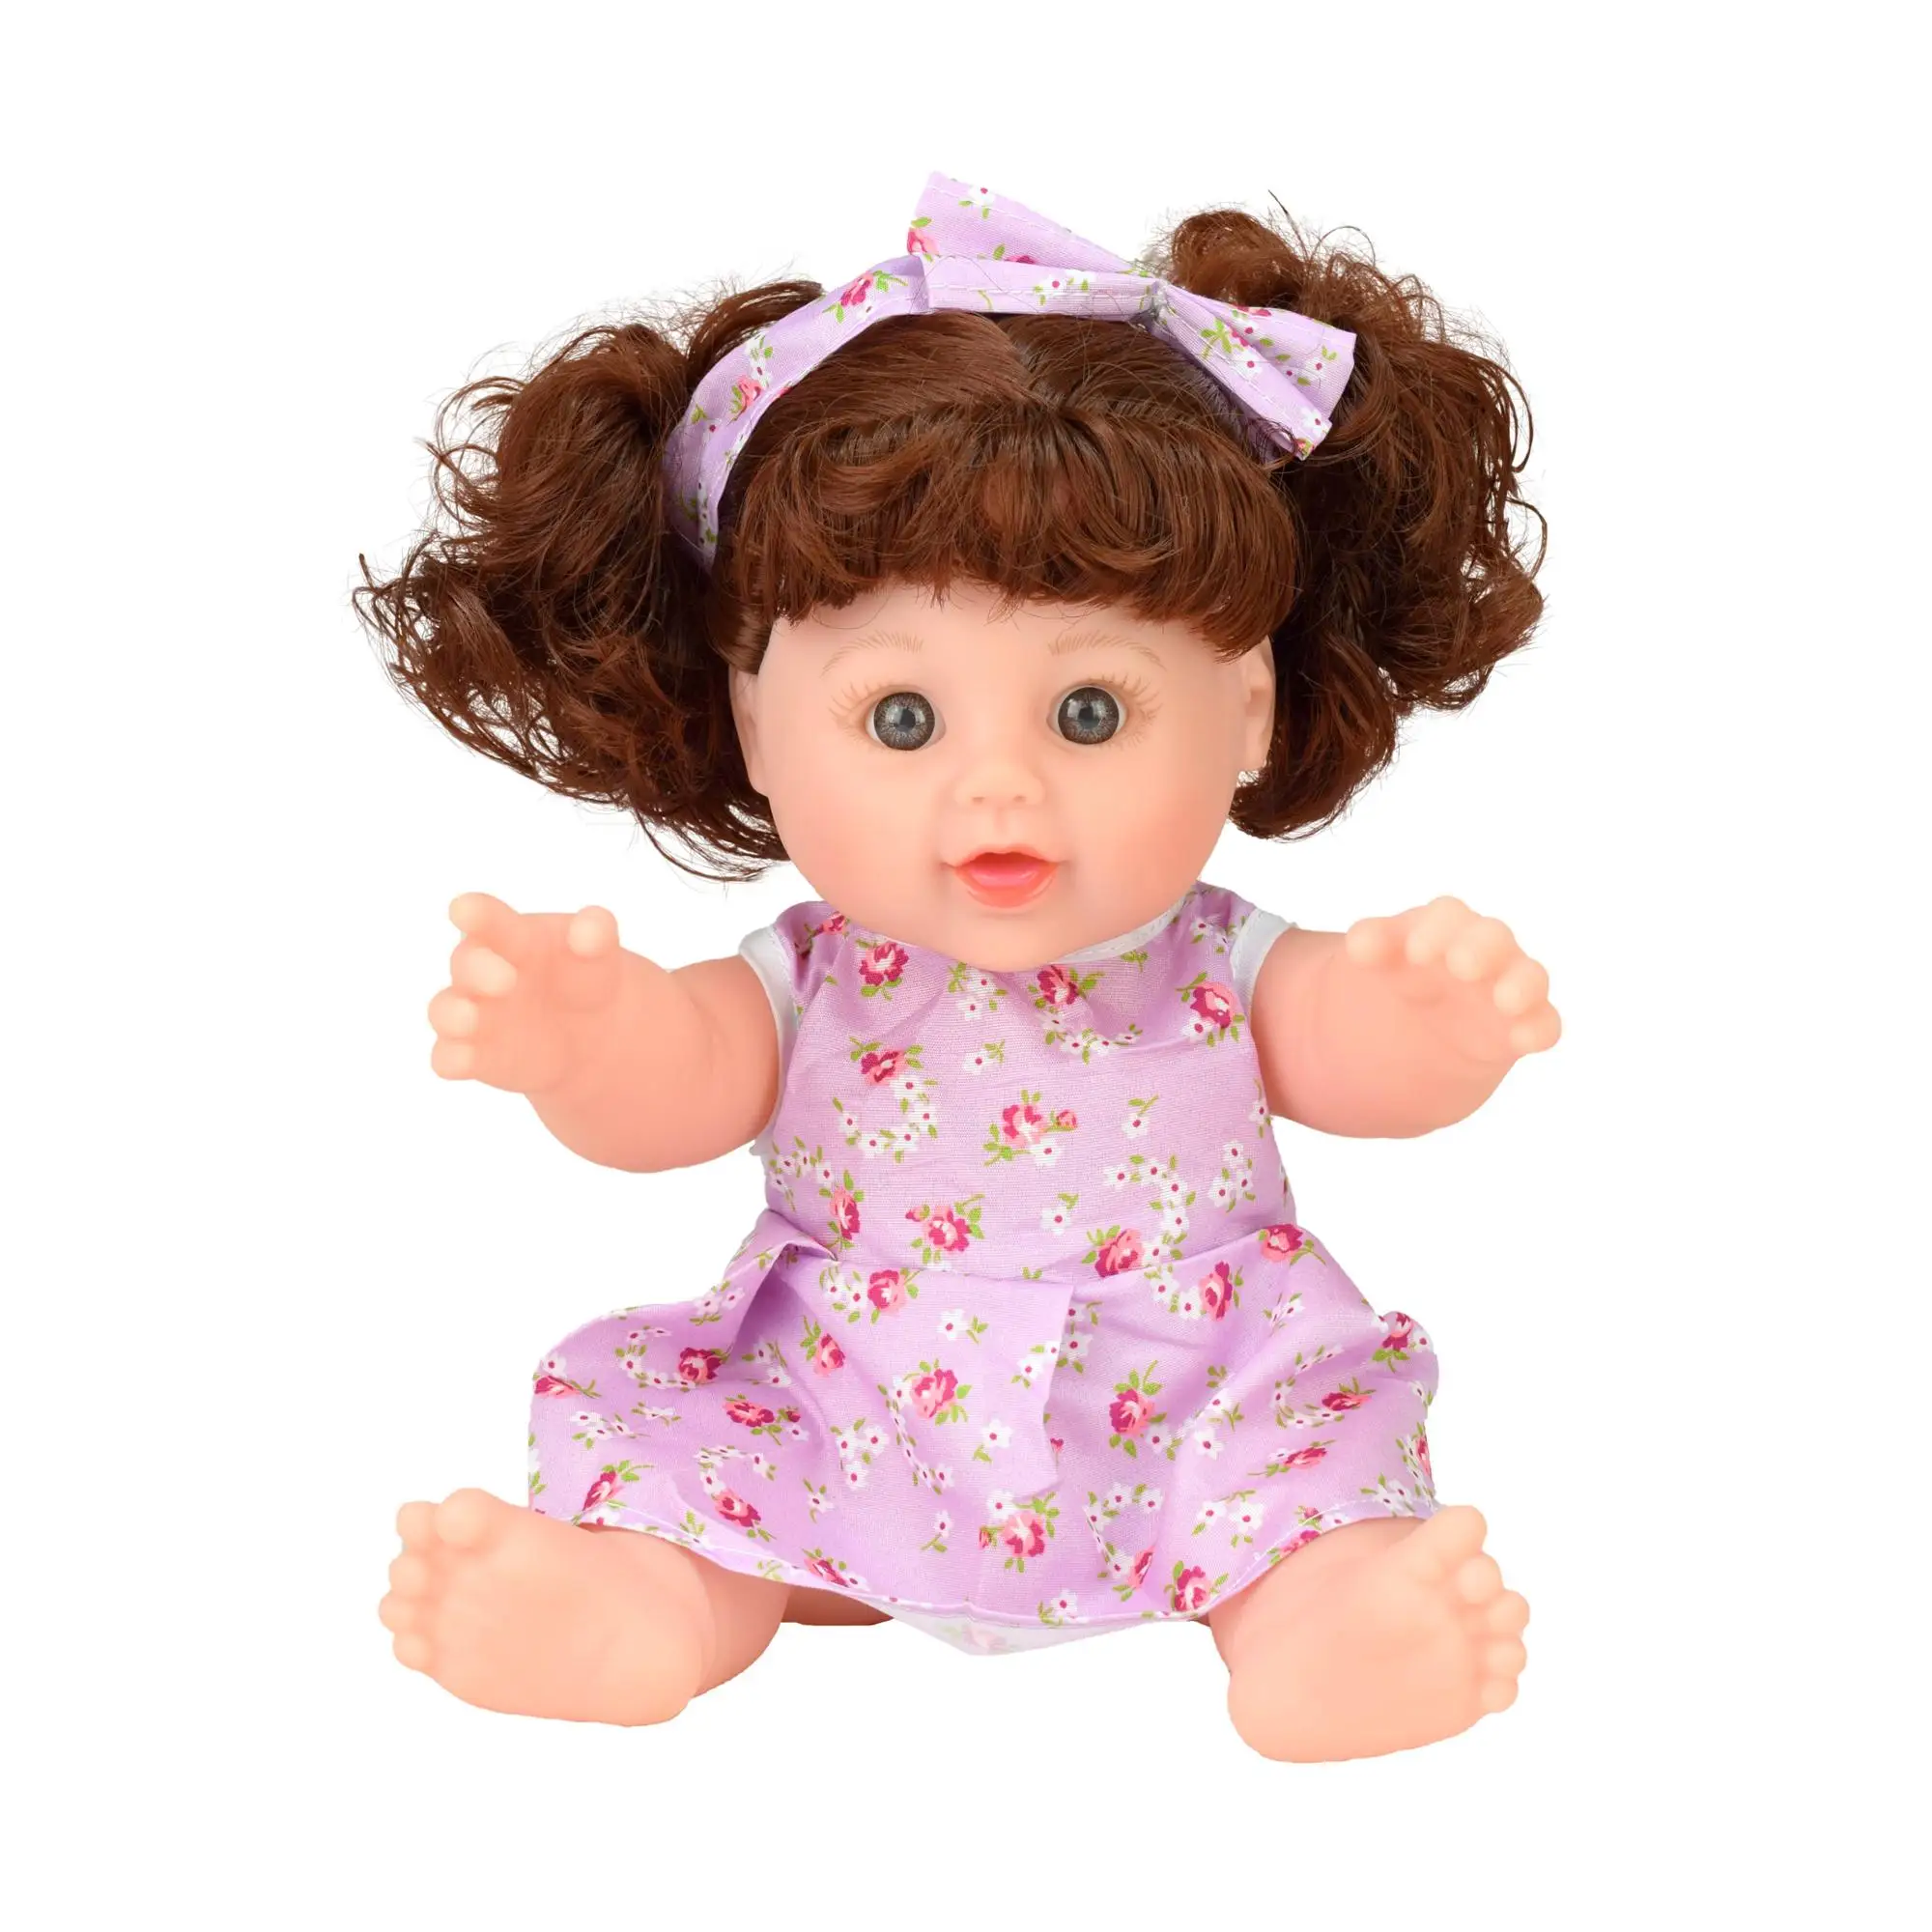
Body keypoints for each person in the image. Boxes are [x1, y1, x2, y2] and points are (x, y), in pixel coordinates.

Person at [358, 168, 1554, 1761]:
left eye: (1089, 713)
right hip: (853, 1389)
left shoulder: (1217, 961)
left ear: (1249, 709)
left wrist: (1428, 1024)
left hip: (1196, 1382)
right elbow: (686, 1084)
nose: (1000, 790)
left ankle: (1329, 1635)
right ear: (755, 725)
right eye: (902, 718)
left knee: (1301, 1482)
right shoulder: (812, 976)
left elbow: (1342, 1049)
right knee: (714, 1474)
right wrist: (589, 1040)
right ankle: (642, 1612)